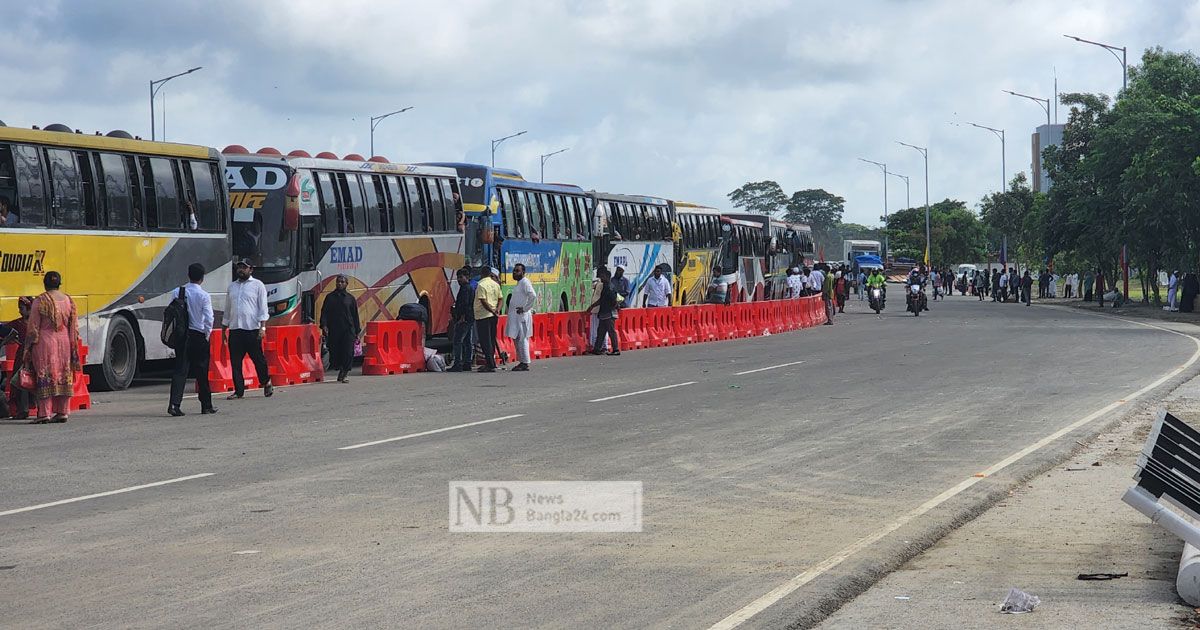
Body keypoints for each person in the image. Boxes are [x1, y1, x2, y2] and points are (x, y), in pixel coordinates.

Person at [26, 271, 80, 423]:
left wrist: (28, 347)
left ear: (44, 283)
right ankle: (62, 412)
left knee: (45, 374)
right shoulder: (69, 300)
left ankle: (44, 413)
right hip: (64, 341)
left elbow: (33, 327)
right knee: (63, 374)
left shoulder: (40, 300)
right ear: (59, 284)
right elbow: (74, 326)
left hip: (45, 342)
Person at [168, 263, 216, 416]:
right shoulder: (204, 296)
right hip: (198, 335)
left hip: (182, 336)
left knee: (180, 371)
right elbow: (209, 318)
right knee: (201, 372)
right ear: (202, 278)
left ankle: (174, 405)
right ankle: (206, 405)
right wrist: (207, 335)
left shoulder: (177, 292)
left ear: (188, 275)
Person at [223, 259, 273, 399]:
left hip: (252, 329)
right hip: (235, 330)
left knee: (258, 360)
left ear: (250, 270)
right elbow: (228, 309)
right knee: (235, 363)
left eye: (244, 268)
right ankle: (239, 391)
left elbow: (263, 308)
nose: (241, 270)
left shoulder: (258, 285)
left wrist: (263, 327)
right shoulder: (232, 287)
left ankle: (266, 382)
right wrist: (224, 329)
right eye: (239, 267)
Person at [320, 274, 361, 383]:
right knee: (335, 351)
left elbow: (355, 315)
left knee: (348, 351)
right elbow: (324, 312)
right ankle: (340, 368)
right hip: (334, 329)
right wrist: (324, 325)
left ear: (346, 284)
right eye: (338, 281)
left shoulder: (350, 299)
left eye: (342, 282)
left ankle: (345, 372)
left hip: (348, 329)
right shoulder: (330, 297)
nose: (340, 283)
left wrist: (357, 331)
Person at [2, 296, 33, 419]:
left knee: (21, 381)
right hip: (26, 356)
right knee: (22, 382)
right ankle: (25, 409)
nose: (20, 311)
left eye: (22, 308)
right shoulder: (20, 323)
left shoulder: (28, 323)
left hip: (28, 356)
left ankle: (25, 410)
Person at [506, 263, 537, 371]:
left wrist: (525, 309)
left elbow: (533, 296)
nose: (514, 272)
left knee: (522, 339)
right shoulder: (519, 283)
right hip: (516, 316)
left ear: (523, 272)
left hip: (522, 316)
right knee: (517, 339)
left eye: (517, 271)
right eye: (514, 270)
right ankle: (522, 361)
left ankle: (525, 362)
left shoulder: (525, 282)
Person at [474, 267, 502, 372]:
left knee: (485, 341)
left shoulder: (481, 284)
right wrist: (497, 310)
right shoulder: (495, 284)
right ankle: (492, 363)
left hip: (483, 315)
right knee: (491, 339)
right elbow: (500, 299)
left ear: (481, 273)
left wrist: (491, 310)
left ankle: (490, 364)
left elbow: (483, 301)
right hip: (493, 316)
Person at [448, 268, 475, 371]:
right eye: (458, 277)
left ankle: (458, 363)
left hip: (464, 318)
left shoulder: (465, 289)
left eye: (461, 277)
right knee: (467, 341)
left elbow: (466, 304)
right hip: (469, 318)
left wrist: (462, 317)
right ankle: (467, 363)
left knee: (457, 341)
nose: (459, 280)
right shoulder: (468, 288)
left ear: (467, 277)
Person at [589, 267, 620, 355]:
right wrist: (592, 306)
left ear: (607, 277)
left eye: (602, 276)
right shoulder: (605, 286)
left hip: (609, 314)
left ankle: (616, 349)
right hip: (604, 313)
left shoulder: (609, 287)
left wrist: (612, 308)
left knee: (611, 331)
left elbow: (614, 300)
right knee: (601, 332)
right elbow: (602, 300)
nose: (601, 278)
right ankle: (597, 349)